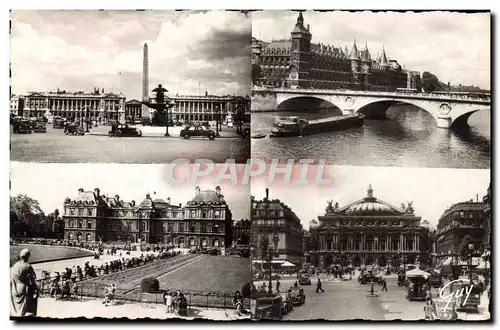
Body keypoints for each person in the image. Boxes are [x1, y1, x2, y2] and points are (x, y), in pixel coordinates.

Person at [10, 248, 38, 317]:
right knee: (23, 311)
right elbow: (32, 281)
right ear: (28, 256)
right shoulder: (28, 266)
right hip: (23, 289)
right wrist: (36, 289)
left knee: (15, 311)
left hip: (14, 289)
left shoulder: (15, 265)